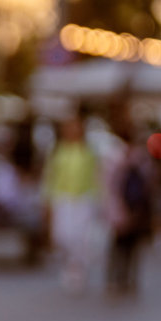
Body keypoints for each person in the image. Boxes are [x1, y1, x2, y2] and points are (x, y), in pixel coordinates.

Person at [41, 114, 101, 294]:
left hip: (83, 198)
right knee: (63, 235)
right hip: (63, 197)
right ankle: (72, 263)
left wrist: (98, 200)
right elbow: (50, 177)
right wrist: (48, 200)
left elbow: (96, 176)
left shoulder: (88, 151)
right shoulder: (58, 150)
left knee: (80, 236)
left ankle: (76, 269)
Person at [104, 129, 156, 295]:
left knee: (126, 245)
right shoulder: (134, 160)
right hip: (127, 208)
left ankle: (121, 278)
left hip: (129, 208)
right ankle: (121, 278)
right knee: (124, 245)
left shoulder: (134, 160)